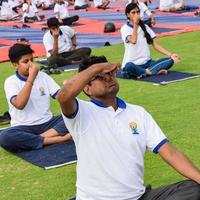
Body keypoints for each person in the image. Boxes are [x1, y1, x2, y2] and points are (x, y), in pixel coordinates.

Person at [57, 55, 200, 200]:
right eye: (100, 76)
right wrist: (97, 67)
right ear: (87, 88)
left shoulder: (138, 113)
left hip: (138, 197)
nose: (109, 78)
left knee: (194, 188)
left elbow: (169, 152)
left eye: (110, 73)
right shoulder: (81, 112)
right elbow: (63, 96)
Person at [0, 43, 71, 153]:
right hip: (23, 127)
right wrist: (31, 78)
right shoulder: (11, 81)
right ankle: (59, 139)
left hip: (48, 123)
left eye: (31, 60)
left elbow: (60, 96)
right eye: (25, 61)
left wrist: (69, 87)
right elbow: (19, 104)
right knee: (5, 137)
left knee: (74, 116)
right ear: (15, 65)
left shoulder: (43, 76)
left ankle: (39, 139)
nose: (31, 64)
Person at [117, 3, 180, 79]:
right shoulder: (125, 28)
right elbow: (133, 41)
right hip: (133, 64)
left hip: (147, 63)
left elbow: (155, 45)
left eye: (138, 12)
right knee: (128, 67)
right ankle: (149, 72)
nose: (136, 14)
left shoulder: (145, 27)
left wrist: (171, 54)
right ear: (128, 15)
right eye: (133, 13)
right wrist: (136, 25)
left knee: (170, 60)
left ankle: (146, 72)